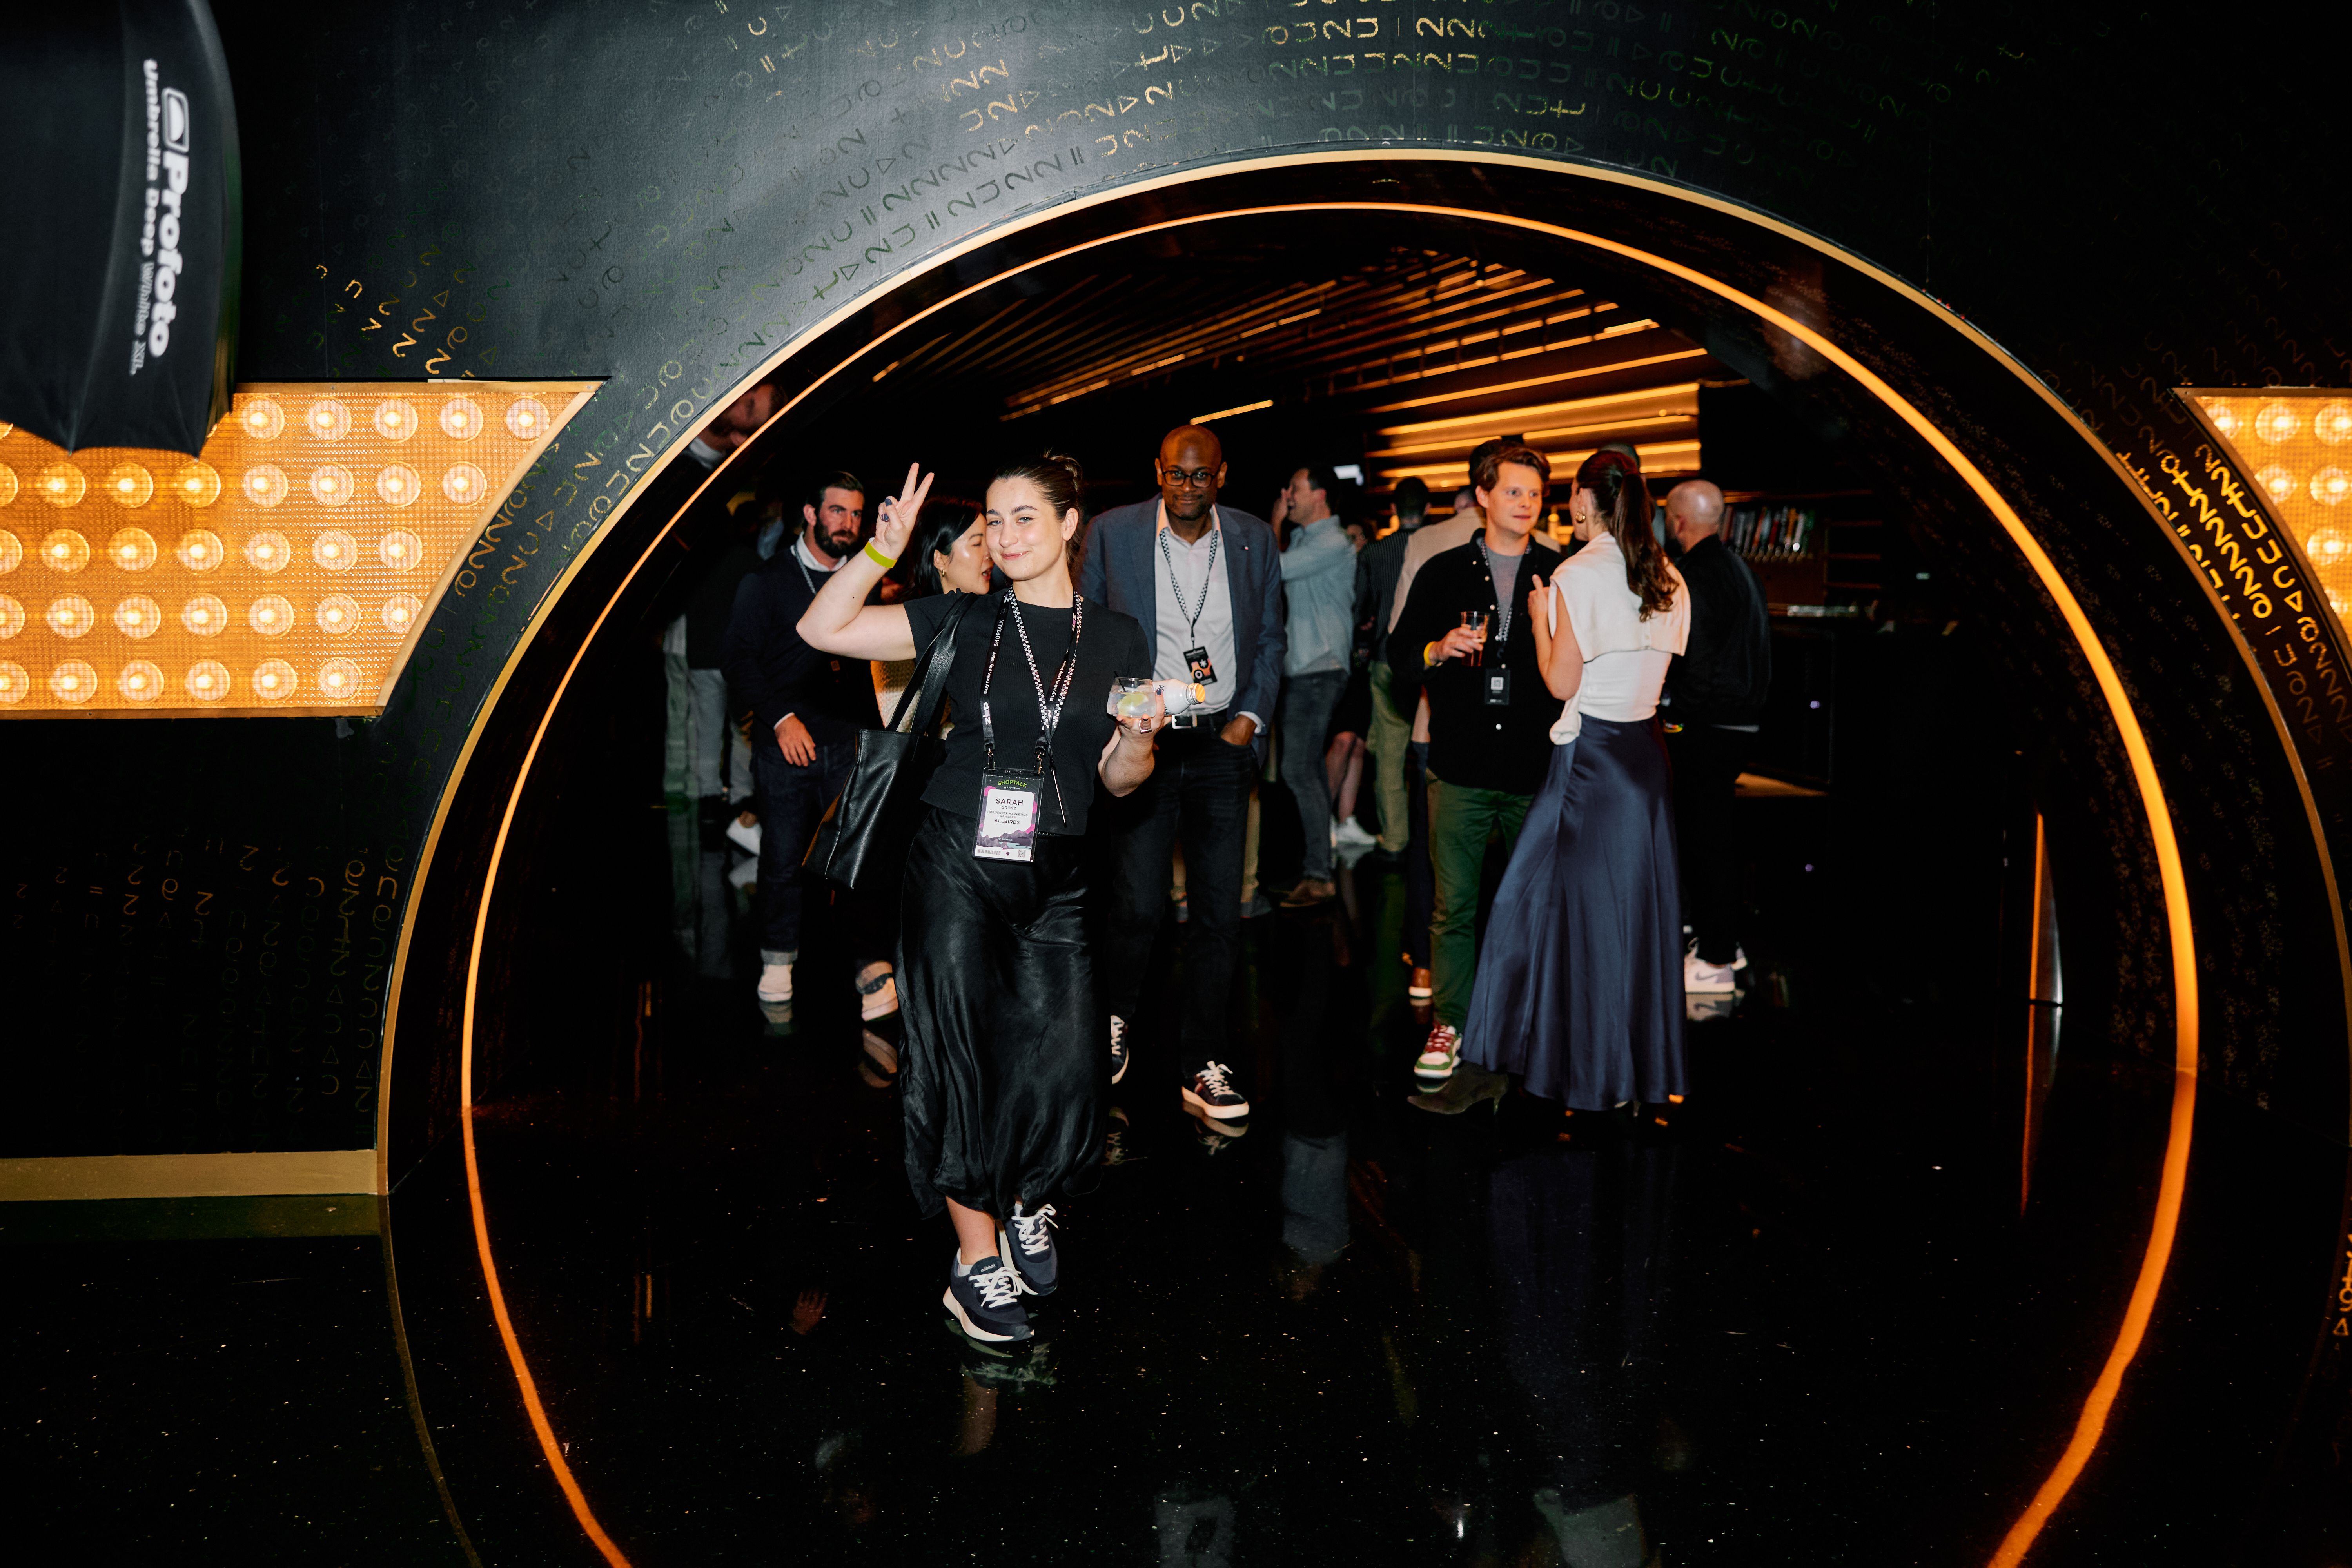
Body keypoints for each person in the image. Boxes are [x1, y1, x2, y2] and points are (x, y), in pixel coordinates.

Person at [799, 455, 1160, 1345]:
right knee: (964, 1059)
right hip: (957, 861)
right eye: (994, 521)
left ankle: (1030, 1199)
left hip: (1060, 873)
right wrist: (878, 554)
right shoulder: (963, 616)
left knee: (1065, 1062)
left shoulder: (1120, 637)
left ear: (1070, 524)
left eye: (1025, 517)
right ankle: (974, 1261)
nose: (1005, 536)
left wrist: (1138, 739)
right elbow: (821, 627)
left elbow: (1121, 780)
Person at [1452, 448, 1692, 1111]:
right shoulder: (1668, 574)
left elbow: (1562, 683)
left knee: (1546, 912)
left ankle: (1583, 1070)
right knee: (1632, 917)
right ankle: (1630, 1066)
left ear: (1587, 499)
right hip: (1646, 759)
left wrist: (1538, 621)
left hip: (1591, 762)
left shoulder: (1576, 574)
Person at [1081, 424, 1284, 1120]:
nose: (1187, 486)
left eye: (1201, 475)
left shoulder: (1254, 538)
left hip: (1223, 744)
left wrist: (1249, 719)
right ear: (1158, 471)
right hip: (1148, 741)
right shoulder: (1115, 533)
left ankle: (1205, 1061)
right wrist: (1124, 719)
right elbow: (1088, 630)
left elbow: (1270, 636)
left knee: (1219, 913)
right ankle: (1115, 1020)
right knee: (1138, 903)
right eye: (1176, 473)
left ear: (1221, 476)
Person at [1388, 445, 1566, 1087]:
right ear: (1484, 496)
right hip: (1459, 766)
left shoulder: (1560, 571)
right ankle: (1451, 1024)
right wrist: (1437, 649)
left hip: (1535, 768)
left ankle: (1531, 1022)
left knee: (1536, 906)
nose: (1526, 503)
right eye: (1514, 491)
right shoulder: (1443, 571)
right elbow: (1399, 654)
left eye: (1535, 494)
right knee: (1454, 909)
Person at [722, 470, 899, 1021]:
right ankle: (778, 958)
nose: (848, 523)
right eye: (837, 511)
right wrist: (780, 719)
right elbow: (738, 660)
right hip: (786, 745)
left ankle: (869, 962)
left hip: (847, 743)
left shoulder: (864, 579)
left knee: (856, 859)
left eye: (856, 514)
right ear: (810, 513)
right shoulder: (766, 581)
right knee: (782, 860)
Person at [1660, 479, 1771, 994]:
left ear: (1679, 521)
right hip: (1739, 721)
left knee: (1704, 840)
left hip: (1707, 723)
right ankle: (1723, 942)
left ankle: (1716, 957)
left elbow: (1696, 660)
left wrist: (1673, 714)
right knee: (1715, 835)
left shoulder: (1694, 574)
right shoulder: (1739, 568)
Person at [1270, 463, 1358, 906]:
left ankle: (1319, 875)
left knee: (1299, 771)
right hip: (1309, 667)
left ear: (1320, 496)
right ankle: (1318, 869)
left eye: (1296, 488)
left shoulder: (1331, 541)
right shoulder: (1309, 538)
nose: (1288, 494)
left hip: (1319, 668)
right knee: (1307, 771)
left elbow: (1271, 569)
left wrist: (1274, 522)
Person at [1356, 477, 1429, 862]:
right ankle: (1435, 838)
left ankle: (1396, 840)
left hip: (1387, 659)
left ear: (1394, 511)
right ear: (1428, 509)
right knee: (1433, 751)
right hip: (1431, 662)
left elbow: (1361, 609)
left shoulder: (1376, 552)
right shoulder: (1437, 547)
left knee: (1389, 755)